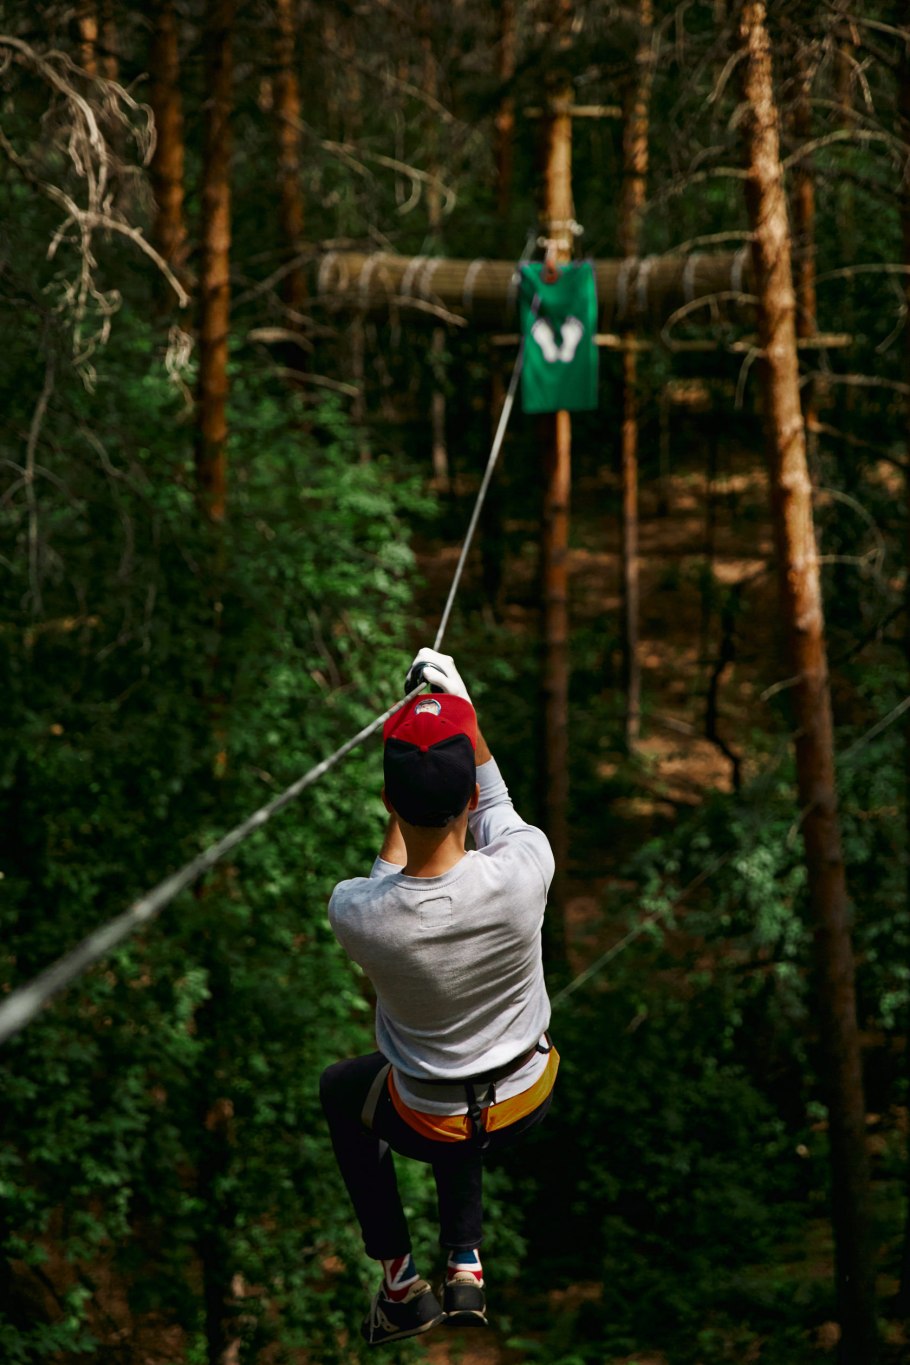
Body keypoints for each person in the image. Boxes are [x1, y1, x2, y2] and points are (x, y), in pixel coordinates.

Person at [320, 647, 558, 1346]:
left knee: (348, 1089)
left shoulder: (356, 912)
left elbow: (389, 873)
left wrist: (412, 745)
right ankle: (465, 1262)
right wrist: (462, 717)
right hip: (527, 1095)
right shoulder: (526, 870)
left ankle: (401, 1281)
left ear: (390, 801)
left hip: (424, 1116)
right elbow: (499, 804)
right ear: (470, 800)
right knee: (460, 1063)